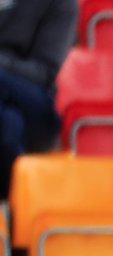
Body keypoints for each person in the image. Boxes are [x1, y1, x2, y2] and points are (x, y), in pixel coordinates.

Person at [0, 0, 78, 200]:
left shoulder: (59, 3)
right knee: (10, 125)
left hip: (34, 105)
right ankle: (12, 212)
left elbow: (43, 73)